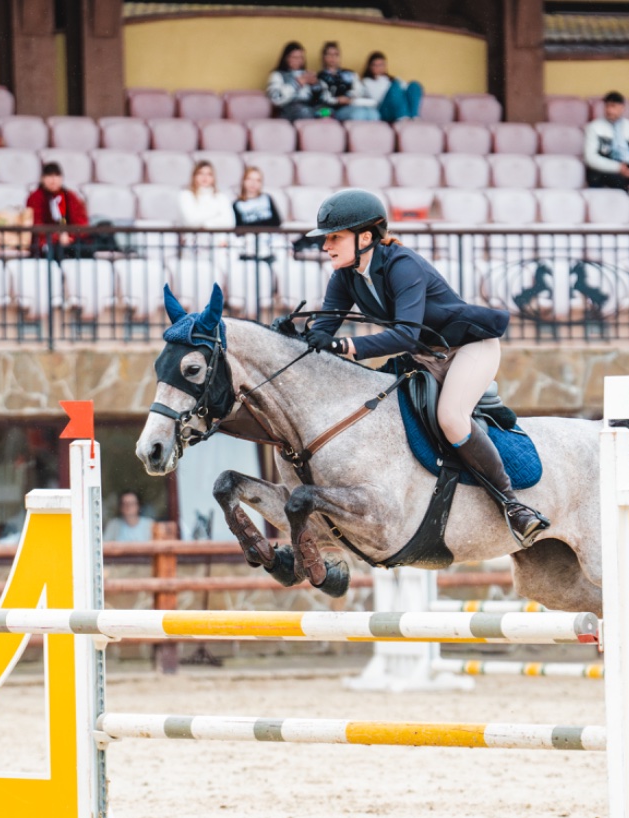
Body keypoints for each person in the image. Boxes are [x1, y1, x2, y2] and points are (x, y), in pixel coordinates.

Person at [283, 189, 549, 547]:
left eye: (334, 237)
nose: (325, 246)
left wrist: (345, 346)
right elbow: (323, 333)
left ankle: (513, 506)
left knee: (451, 418)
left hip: (467, 349)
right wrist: (291, 338)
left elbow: (405, 334)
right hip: (423, 355)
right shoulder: (345, 276)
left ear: (365, 237)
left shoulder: (402, 265)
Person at [584, 92, 629, 190]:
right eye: (607, 106)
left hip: (628, 167)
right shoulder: (594, 127)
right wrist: (618, 167)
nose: (609, 110)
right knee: (618, 182)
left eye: (613, 106)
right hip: (605, 169)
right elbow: (590, 158)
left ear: (622, 108)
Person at [26, 162, 90, 259]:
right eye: (49, 176)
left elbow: (81, 222)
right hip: (46, 242)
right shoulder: (35, 198)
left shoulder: (70, 196)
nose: (53, 180)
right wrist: (57, 236)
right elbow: (36, 224)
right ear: (42, 179)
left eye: (56, 176)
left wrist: (70, 236)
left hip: (71, 241)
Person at [266, 42, 329, 121]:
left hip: (309, 106)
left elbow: (321, 98)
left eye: (301, 57)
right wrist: (297, 83)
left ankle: (318, 123)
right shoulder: (277, 75)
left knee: (327, 112)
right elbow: (275, 99)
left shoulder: (306, 73)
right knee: (304, 111)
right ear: (286, 58)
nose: (299, 60)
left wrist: (315, 85)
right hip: (290, 108)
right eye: (295, 57)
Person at [316, 42, 378, 121]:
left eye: (336, 54)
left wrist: (349, 97)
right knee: (358, 114)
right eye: (329, 54)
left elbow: (359, 90)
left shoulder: (350, 74)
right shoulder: (319, 76)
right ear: (324, 57)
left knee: (373, 113)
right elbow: (322, 97)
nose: (333, 57)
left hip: (351, 105)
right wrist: (337, 100)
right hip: (332, 109)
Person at [360, 52, 423, 123]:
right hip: (383, 109)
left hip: (399, 103)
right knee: (395, 87)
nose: (378, 68)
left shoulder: (392, 79)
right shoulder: (366, 82)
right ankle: (402, 117)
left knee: (414, 85)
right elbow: (375, 97)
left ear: (385, 66)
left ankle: (414, 116)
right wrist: (381, 80)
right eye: (375, 65)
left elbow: (406, 90)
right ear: (369, 67)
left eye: (381, 65)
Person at [178, 162, 236, 230]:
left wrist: (207, 224)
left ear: (213, 178)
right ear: (194, 176)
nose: (205, 177)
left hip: (218, 236)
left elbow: (230, 223)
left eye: (209, 174)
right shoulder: (186, 195)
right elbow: (191, 221)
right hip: (193, 236)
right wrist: (216, 212)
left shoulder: (221, 197)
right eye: (200, 173)